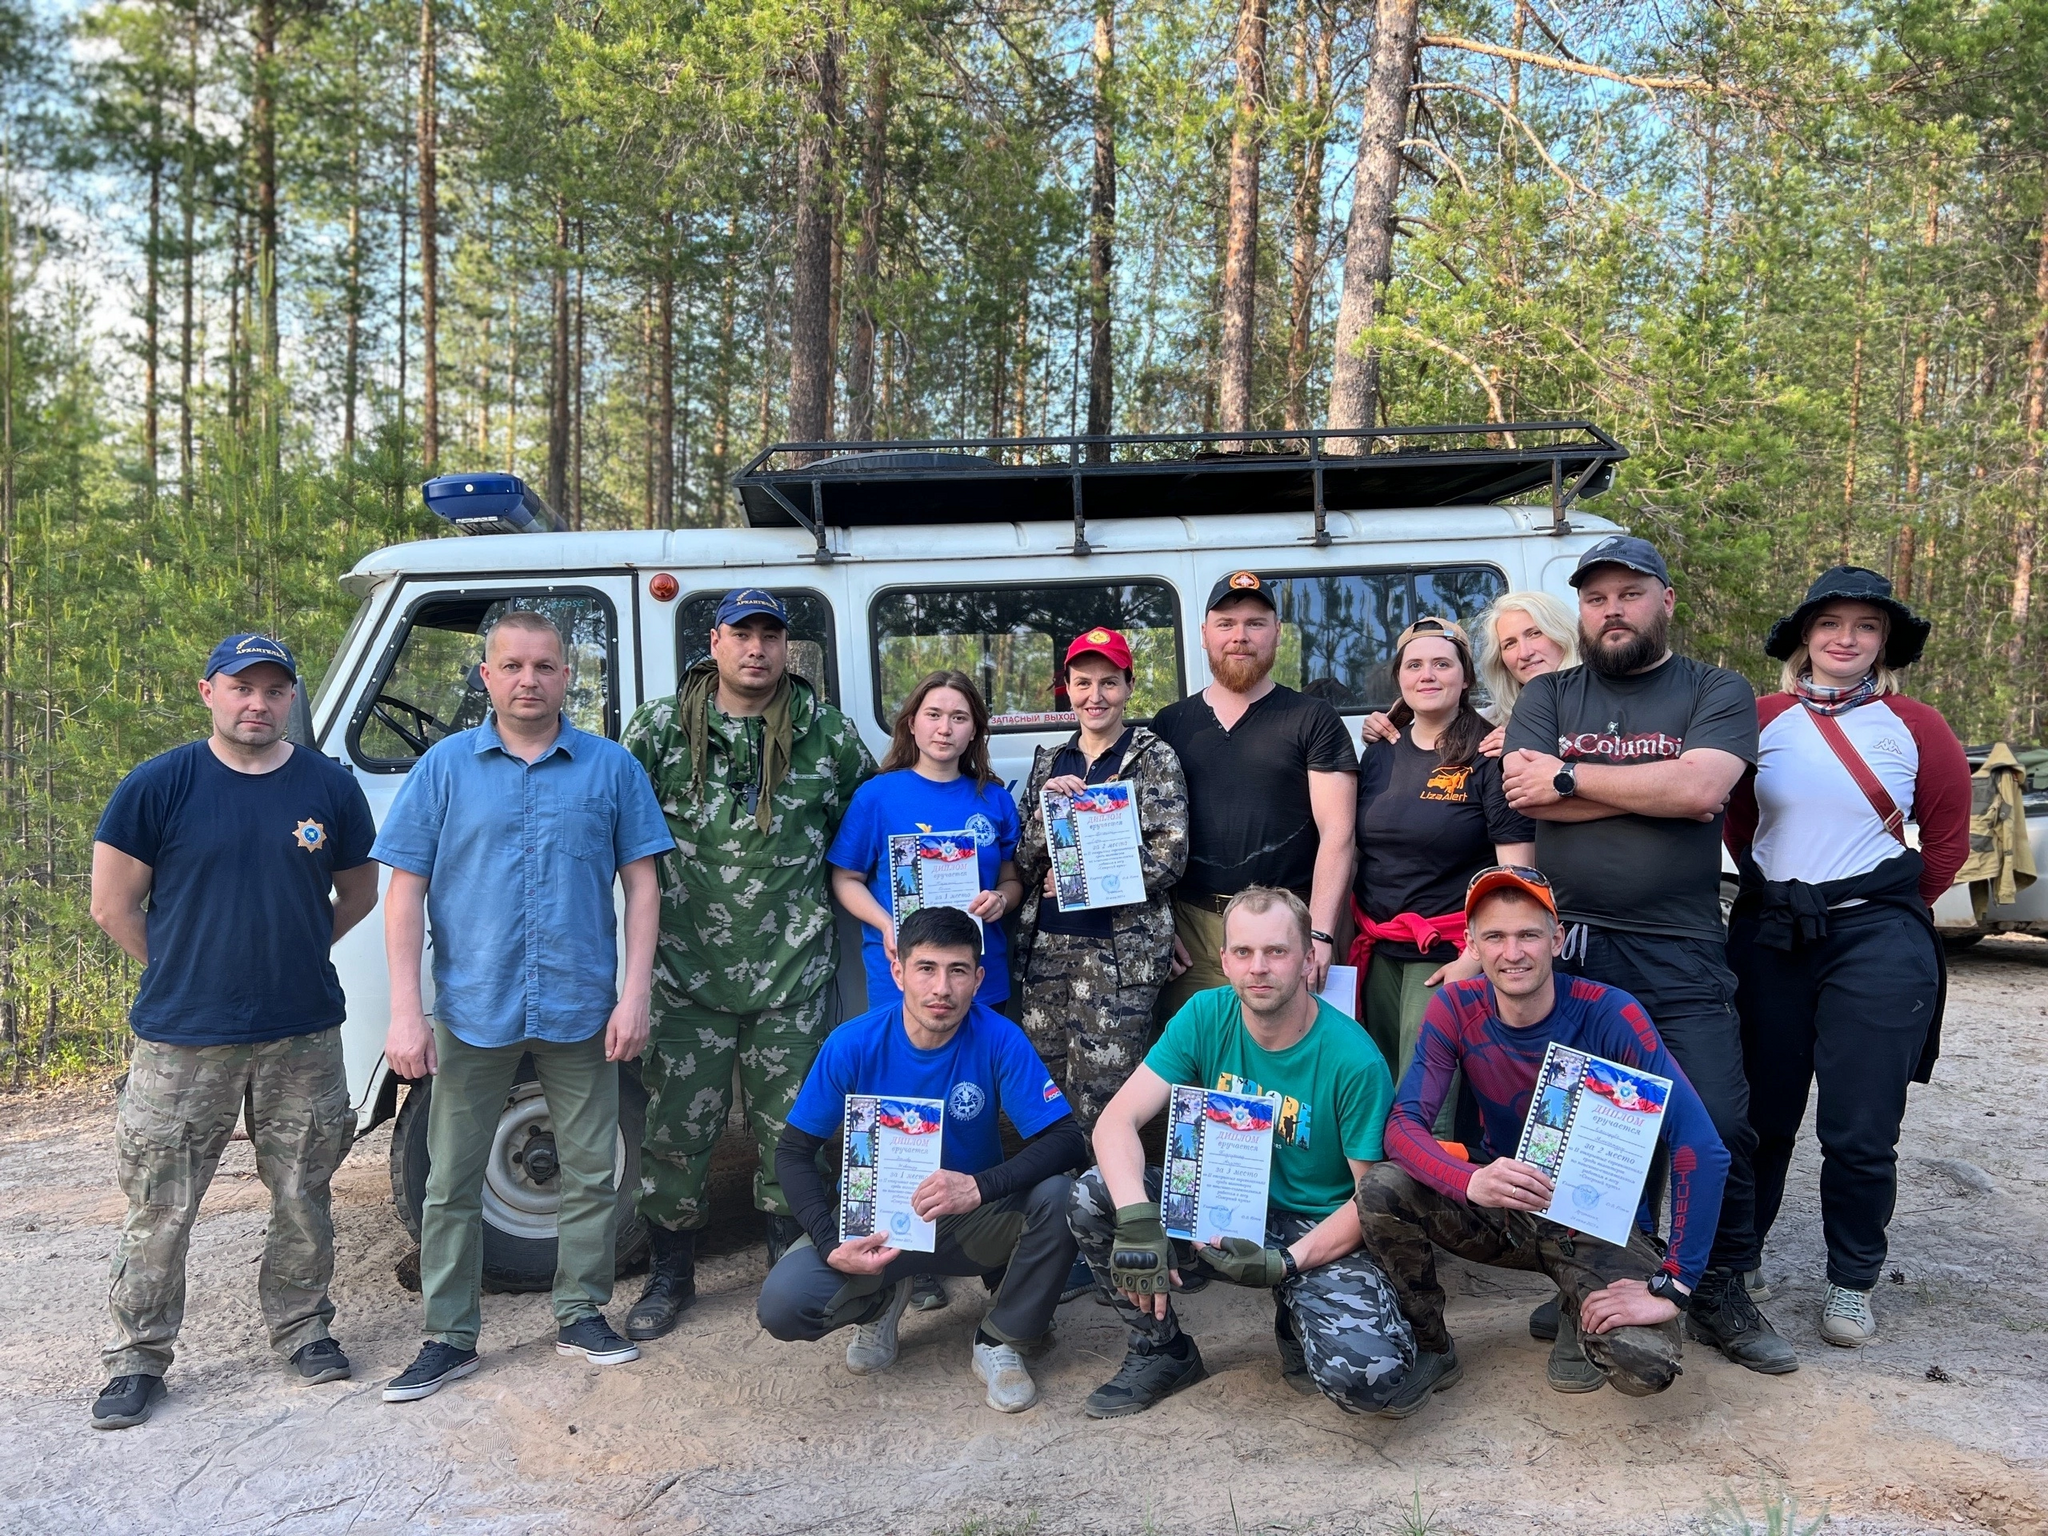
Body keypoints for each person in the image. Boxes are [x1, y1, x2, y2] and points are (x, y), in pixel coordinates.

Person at [1499, 534, 1795, 1375]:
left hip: (1682, 949)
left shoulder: (1714, 688)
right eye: (1596, 598)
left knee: (1721, 1120)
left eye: (1630, 594)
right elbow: (1527, 792)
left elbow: (1704, 791)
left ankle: (1719, 1287)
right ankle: (1582, 1285)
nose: (1612, 610)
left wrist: (1571, 781)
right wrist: (1649, 792)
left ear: (1664, 600)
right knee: (1582, 1126)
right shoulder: (1551, 693)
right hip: (1578, 947)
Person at [373, 609, 673, 1402]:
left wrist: (635, 994)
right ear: (487, 676)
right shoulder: (442, 769)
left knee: (590, 1175)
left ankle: (580, 1313)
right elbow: (402, 893)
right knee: (450, 1180)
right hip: (473, 1008)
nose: (528, 680)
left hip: (582, 1004)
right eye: (512, 666)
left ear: (567, 675)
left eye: (544, 666)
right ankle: (449, 1336)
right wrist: (407, 1011)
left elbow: (643, 887)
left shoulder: (611, 769)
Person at [86, 634, 379, 1430]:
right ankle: (137, 1358)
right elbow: (112, 905)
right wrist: (184, 968)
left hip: (302, 1034)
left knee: (303, 1193)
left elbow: (358, 891)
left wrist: (298, 950)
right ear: (208, 691)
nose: (258, 702)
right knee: (162, 1204)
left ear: (291, 699)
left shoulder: (329, 787)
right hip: (185, 1038)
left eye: (274, 689)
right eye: (241, 687)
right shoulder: (158, 786)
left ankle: (303, 1329)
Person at [1354, 866, 1731, 1411]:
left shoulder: (1611, 1013)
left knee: (1644, 1366)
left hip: (1599, 1221)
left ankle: (1576, 1303)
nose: (1514, 952)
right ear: (1472, 945)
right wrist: (1472, 1180)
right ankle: (1431, 1346)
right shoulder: (1455, 1008)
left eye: (1529, 934)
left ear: (1556, 940)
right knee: (1382, 1188)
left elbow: (1702, 1148)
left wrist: (1676, 1284)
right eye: (1495, 936)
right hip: (1508, 1206)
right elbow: (1403, 1124)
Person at [619, 588, 875, 1341]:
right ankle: (671, 1275)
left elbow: (872, 823)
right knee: (674, 1132)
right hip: (683, 972)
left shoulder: (824, 734)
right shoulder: (661, 729)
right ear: (715, 640)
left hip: (791, 971)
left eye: (771, 634)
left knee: (793, 1131)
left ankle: (790, 1268)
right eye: (743, 633)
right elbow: (611, 823)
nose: (757, 648)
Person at [1724, 567, 1971, 1346]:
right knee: (1759, 1115)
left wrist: (1877, 905)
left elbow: (1947, 844)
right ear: (1804, 635)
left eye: (1865, 626)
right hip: (1773, 932)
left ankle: (1851, 1281)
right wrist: (1790, 893)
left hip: (1876, 938)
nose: (1845, 638)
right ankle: (1741, 1257)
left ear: (1884, 641)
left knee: (1861, 1126)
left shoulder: (1919, 725)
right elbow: (1737, 825)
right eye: (1830, 623)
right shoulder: (1758, 718)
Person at [1068, 887, 1413, 1419]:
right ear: (1224, 960)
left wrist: (1285, 1264)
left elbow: (1372, 1201)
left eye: (1276, 952)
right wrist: (1138, 1220)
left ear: (1307, 959)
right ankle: (1161, 1349)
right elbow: (1116, 1121)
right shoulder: (1204, 1014)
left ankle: (1299, 1312)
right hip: (1218, 1208)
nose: (1259, 968)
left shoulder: (1354, 1059)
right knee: (1096, 1194)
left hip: (1315, 1227)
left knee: (1369, 1382)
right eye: (1245, 953)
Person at [756, 907, 1089, 1413]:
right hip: (878, 1228)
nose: (942, 988)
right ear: (898, 972)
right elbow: (795, 1152)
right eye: (926, 968)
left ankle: (1002, 1340)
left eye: (958, 971)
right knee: (784, 1305)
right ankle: (883, 1299)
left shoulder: (998, 1036)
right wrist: (829, 1245)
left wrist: (978, 1187)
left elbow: (1066, 1139)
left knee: (1061, 1197)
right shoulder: (852, 1043)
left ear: (978, 978)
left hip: (971, 1219)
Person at [829, 669, 1025, 1312]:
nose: (946, 728)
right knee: (898, 1113)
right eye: (934, 714)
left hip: (978, 978)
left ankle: (969, 1236)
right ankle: (906, 1251)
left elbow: (1012, 878)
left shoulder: (992, 797)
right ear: (911, 722)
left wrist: (1002, 898)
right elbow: (846, 878)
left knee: (972, 1110)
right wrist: (889, 924)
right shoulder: (878, 796)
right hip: (904, 981)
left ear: (976, 730)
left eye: (960, 717)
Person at [1153, 572, 1358, 1013]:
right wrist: (1160, 928)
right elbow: (1150, 841)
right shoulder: (1169, 724)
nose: (1239, 637)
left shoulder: (1313, 719)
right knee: (1198, 1068)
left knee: (1291, 1067)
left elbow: (1338, 834)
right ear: (1205, 635)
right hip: (1193, 932)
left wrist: (1319, 934)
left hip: (1286, 928)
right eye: (1226, 624)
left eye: (1255, 623)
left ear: (1277, 633)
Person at [1349, 616, 1534, 1090]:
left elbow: (1516, 873)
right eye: (1414, 665)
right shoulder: (1381, 750)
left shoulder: (1490, 752)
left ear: (1466, 677)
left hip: (1446, 951)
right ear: (1399, 680)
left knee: (1425, 1097)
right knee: (1375, 1084)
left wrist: (1476, 956)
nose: (1426, 675)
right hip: (1379, 948)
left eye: (1441, 664)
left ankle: (1427, 1169)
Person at [1014, 627, 1189, 1126]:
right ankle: (1054, 1202)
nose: (1096, 696)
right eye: (1084, 682)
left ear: (1129, 686)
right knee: (1047, 1104)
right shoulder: (1049, 762)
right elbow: (1026, 864)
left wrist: (1080, 880)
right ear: (1067, 688)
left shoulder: (1153, 757)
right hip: (1046, 955)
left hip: (1116, 962)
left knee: (1103, 1107)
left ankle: (1098, 1202)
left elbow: (1168, 857)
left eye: (1109, 682)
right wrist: (1048, 811)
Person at [1360, 589, 1579, 759]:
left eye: (1534, 633)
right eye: (1509, 644)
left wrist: (1531, 753)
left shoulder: (1605, 702)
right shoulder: (1495, 722)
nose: (1525, 652)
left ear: (1561, 632)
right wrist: (1387, 727)